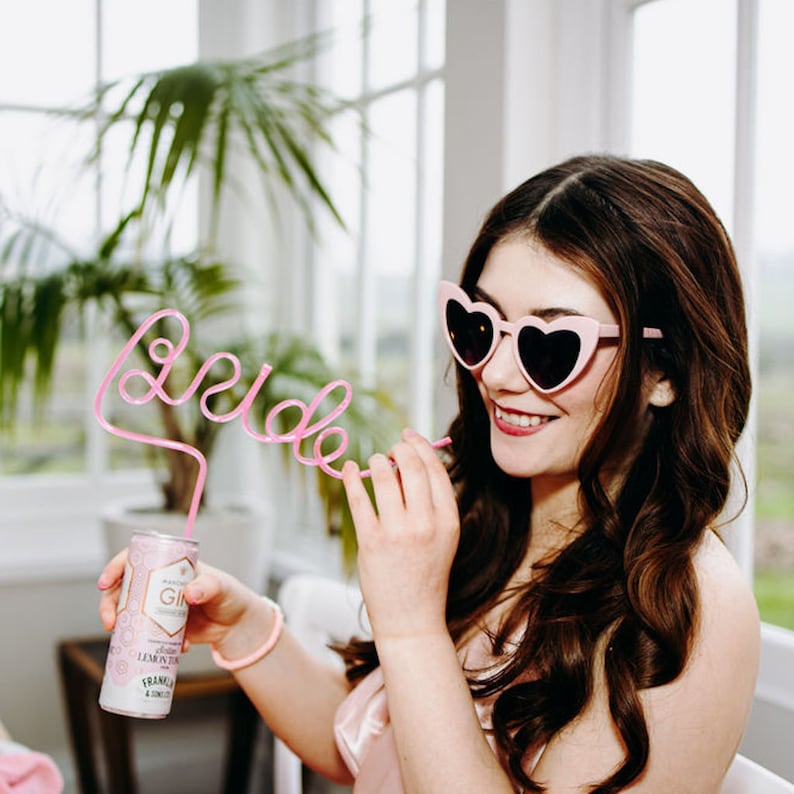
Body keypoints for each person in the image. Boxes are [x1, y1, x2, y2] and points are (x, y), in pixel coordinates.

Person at [98, 154, 760, 793]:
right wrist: (242, 627)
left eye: (551, 345)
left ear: (665, 370)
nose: (494, 375)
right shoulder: (492, 521)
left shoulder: (688, 606)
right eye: (479, 326)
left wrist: (412, 624)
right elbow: (375, 747)